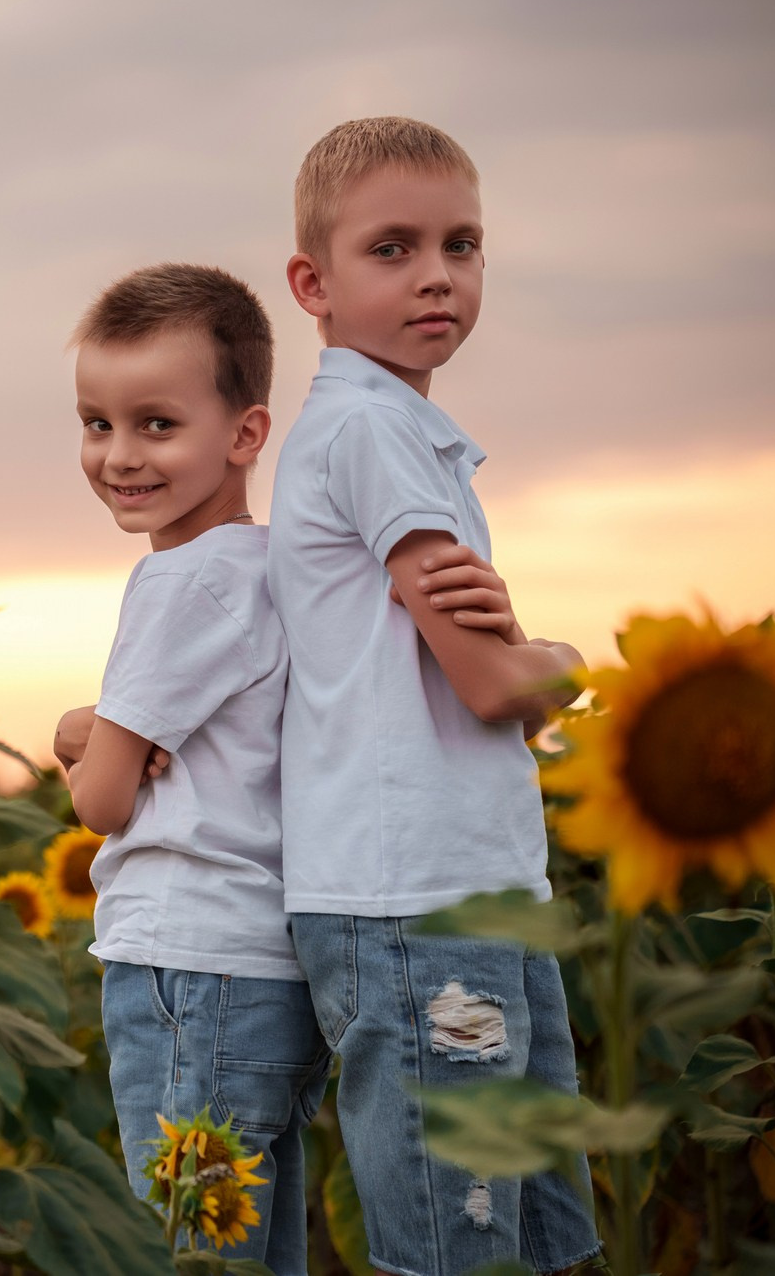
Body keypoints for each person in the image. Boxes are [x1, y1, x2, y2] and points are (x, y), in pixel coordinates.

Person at [270, 115, 602, 1275]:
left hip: (471, 890)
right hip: (412, 909)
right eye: (392, 248)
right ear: (310, 282)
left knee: (540, 1238)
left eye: (460, 246)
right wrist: (560, 657)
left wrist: (523, 662)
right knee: (458, 1247)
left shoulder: (402, 432)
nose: (435, 277)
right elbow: (485, 681)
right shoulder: (367, 430)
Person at [51, 262, 323, 1270]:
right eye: (95, 422)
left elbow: (103, 803)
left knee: (184, 1250)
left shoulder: (180, 583)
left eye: (155, 424)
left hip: (186, 968)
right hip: (265, 968)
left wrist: (73, 738)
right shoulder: (266, 568)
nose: (117, 455)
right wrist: (105, 725)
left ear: (244, 434)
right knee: (256, 1249)